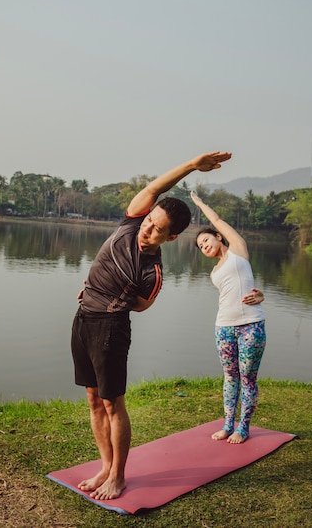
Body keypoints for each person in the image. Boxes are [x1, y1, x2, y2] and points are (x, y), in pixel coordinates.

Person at [71, 150, 232, 501]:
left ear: (170, 238)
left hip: (110, 329)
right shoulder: (131, 221)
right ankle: (104, 466)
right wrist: (191, 165)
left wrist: (118, 297)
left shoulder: (152, 272)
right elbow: (156, 188)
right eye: (149, 221)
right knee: (93, 400)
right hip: (83, 317)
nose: (148, 229)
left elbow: (143, 306)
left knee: (113, 403)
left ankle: (118, 476)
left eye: (157, 229)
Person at [190, 191, 266, 444]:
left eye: (206, 240)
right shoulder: (214, 273)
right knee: (230, 377)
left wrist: (200, 204)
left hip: (251, 327)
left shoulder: (238, 252)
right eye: (200, 246)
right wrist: (259, 294)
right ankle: (227, 424)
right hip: (223, 327)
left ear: (218, 237)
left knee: (247, 378)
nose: (204, 246)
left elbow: (219, 219)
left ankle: (243, 427)